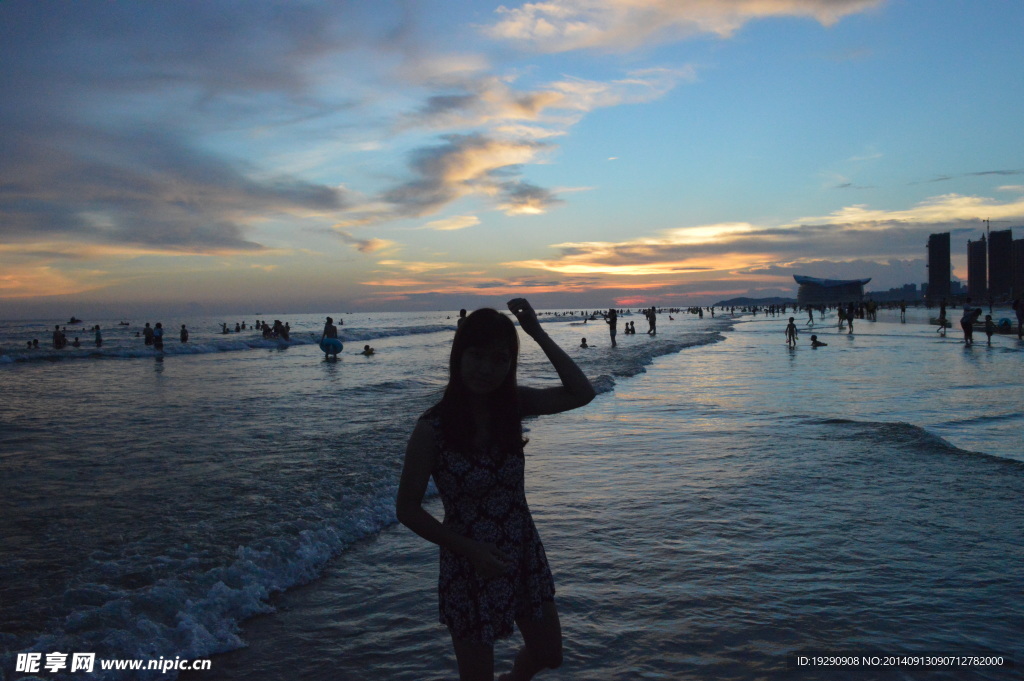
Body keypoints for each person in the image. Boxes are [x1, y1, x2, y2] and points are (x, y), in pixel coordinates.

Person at [396, 300, 595, 681]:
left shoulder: (513, 405)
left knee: (549, 653)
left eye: (500, 359)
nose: (487, 369)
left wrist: (535, 331)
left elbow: (581, 392)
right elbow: (407, 509)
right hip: (468, 562)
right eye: (477, 355)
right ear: (459, 355)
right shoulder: (431, 429)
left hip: (522, 550)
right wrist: (471, 550)